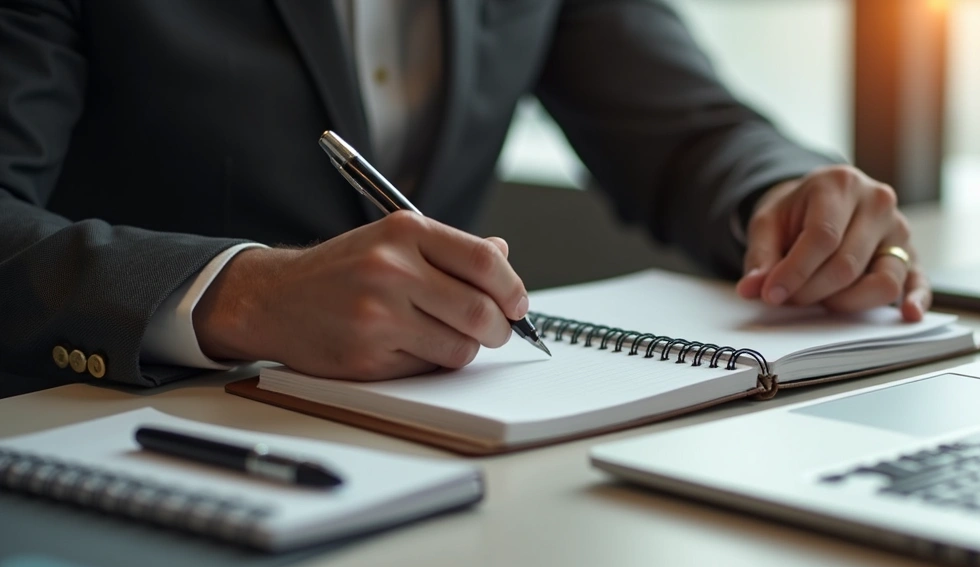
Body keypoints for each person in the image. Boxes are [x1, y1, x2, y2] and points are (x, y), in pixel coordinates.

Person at [0, 0, 930, 390]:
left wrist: (790, 193)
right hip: (114, 440)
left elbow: (688, 128)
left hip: (439, 466)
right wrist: (240, 295)